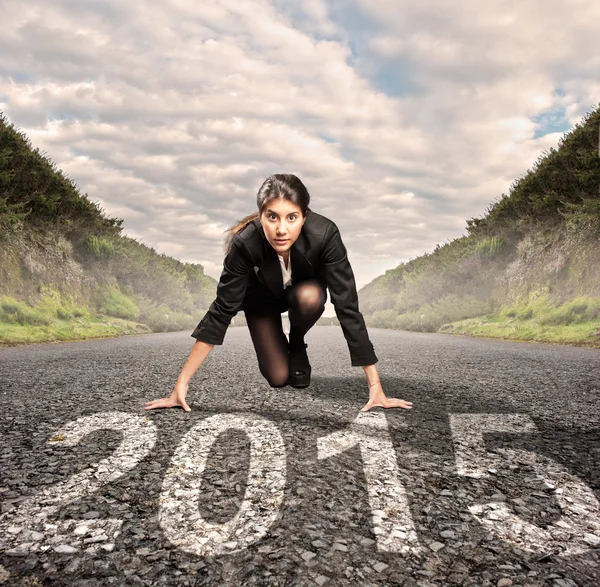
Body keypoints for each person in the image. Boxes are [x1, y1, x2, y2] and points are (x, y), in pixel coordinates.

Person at [144, 174, 413, 413]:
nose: (281, 229)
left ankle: (296, 340)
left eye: (291, 217)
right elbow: (222, 310)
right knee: (278, 376)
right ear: (260, 216)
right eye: (272, 217)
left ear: (304, 216)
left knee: (310, 295)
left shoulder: (325, 235)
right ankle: (284, 348)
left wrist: (375, 386)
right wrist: (180, 385)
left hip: (304, 296)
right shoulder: (245, 243)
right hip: (261, 302)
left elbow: (347, 306)